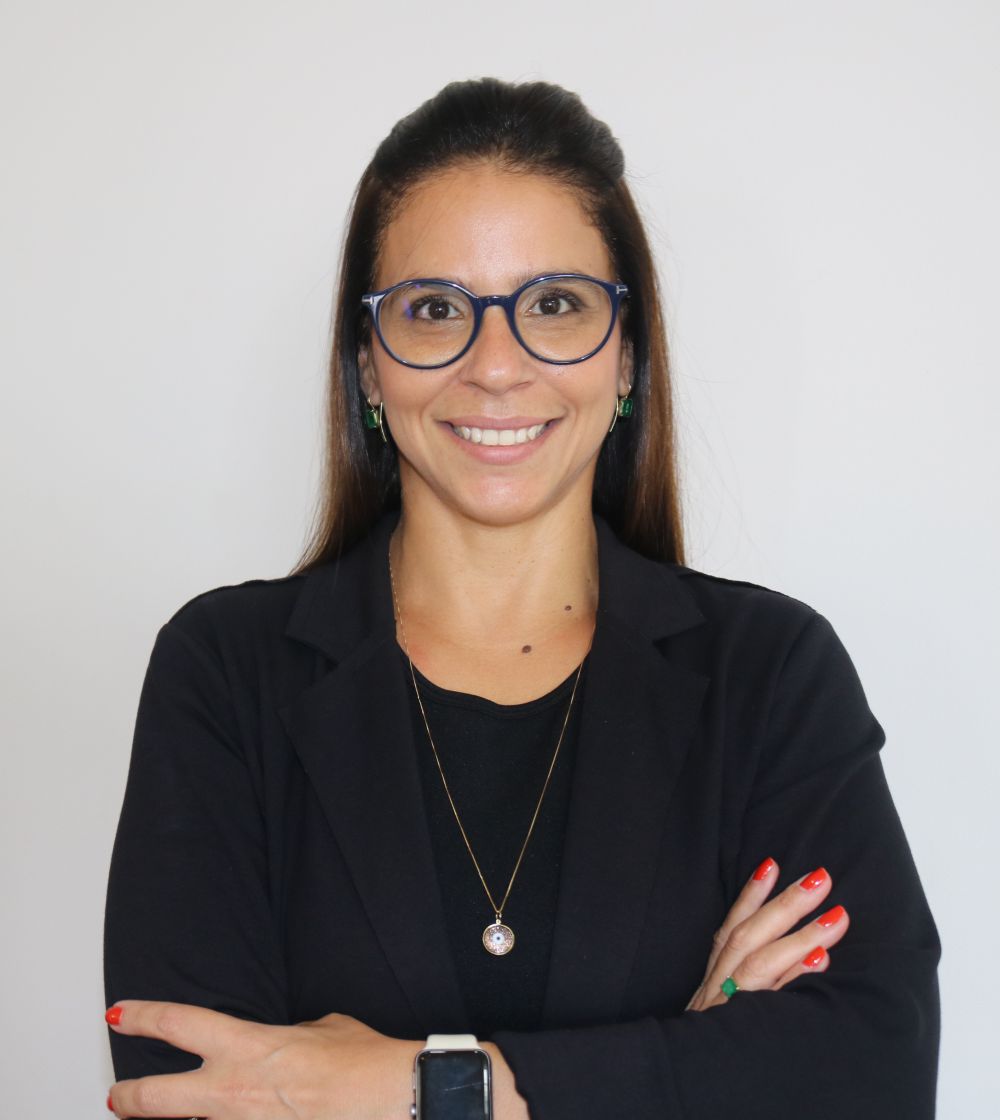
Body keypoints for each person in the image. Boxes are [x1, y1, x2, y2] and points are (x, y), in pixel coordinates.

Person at [103, 78, 941, 1119]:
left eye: (553, 304)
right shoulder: (227, 673)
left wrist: (417, 1087)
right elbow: (189, 1096)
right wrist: (685, 1057)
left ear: (626, 354)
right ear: (366, 365)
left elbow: (872, 1078)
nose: (495, 366)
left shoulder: (768, 672)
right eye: (433, 309)